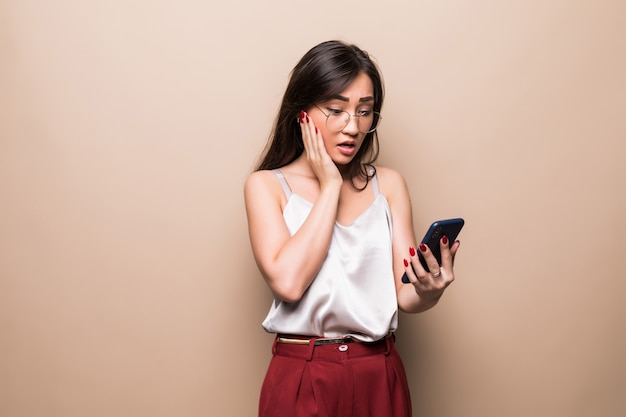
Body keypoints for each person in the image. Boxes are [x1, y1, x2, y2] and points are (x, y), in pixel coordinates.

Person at [244, 40, 461, 417]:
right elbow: (289, 283)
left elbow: (404, 295)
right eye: (336, 110)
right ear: (303, 113)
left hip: (378, 371)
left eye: (364, 112)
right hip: (301, 372)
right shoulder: (266, 186)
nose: (353, 126)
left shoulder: (389, 185)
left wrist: (430, 290)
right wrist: (330, 185)